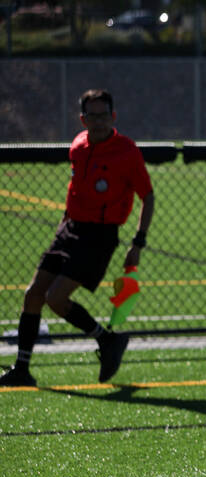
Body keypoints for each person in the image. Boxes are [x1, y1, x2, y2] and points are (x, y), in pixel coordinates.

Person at [0, 89, 153, 388]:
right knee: (33, 295)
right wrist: (62, 226)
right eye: (92, 116)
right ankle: (23, 369)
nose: (98, 122)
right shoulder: (78, 146)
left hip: (99, 235)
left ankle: (107, 340)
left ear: (114, 117)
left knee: (55, 298)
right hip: (69, 229)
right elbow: (74, 190)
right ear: (82, 119)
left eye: (104, 115)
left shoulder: (126, 150)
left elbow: (147, 195)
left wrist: (138, 243)